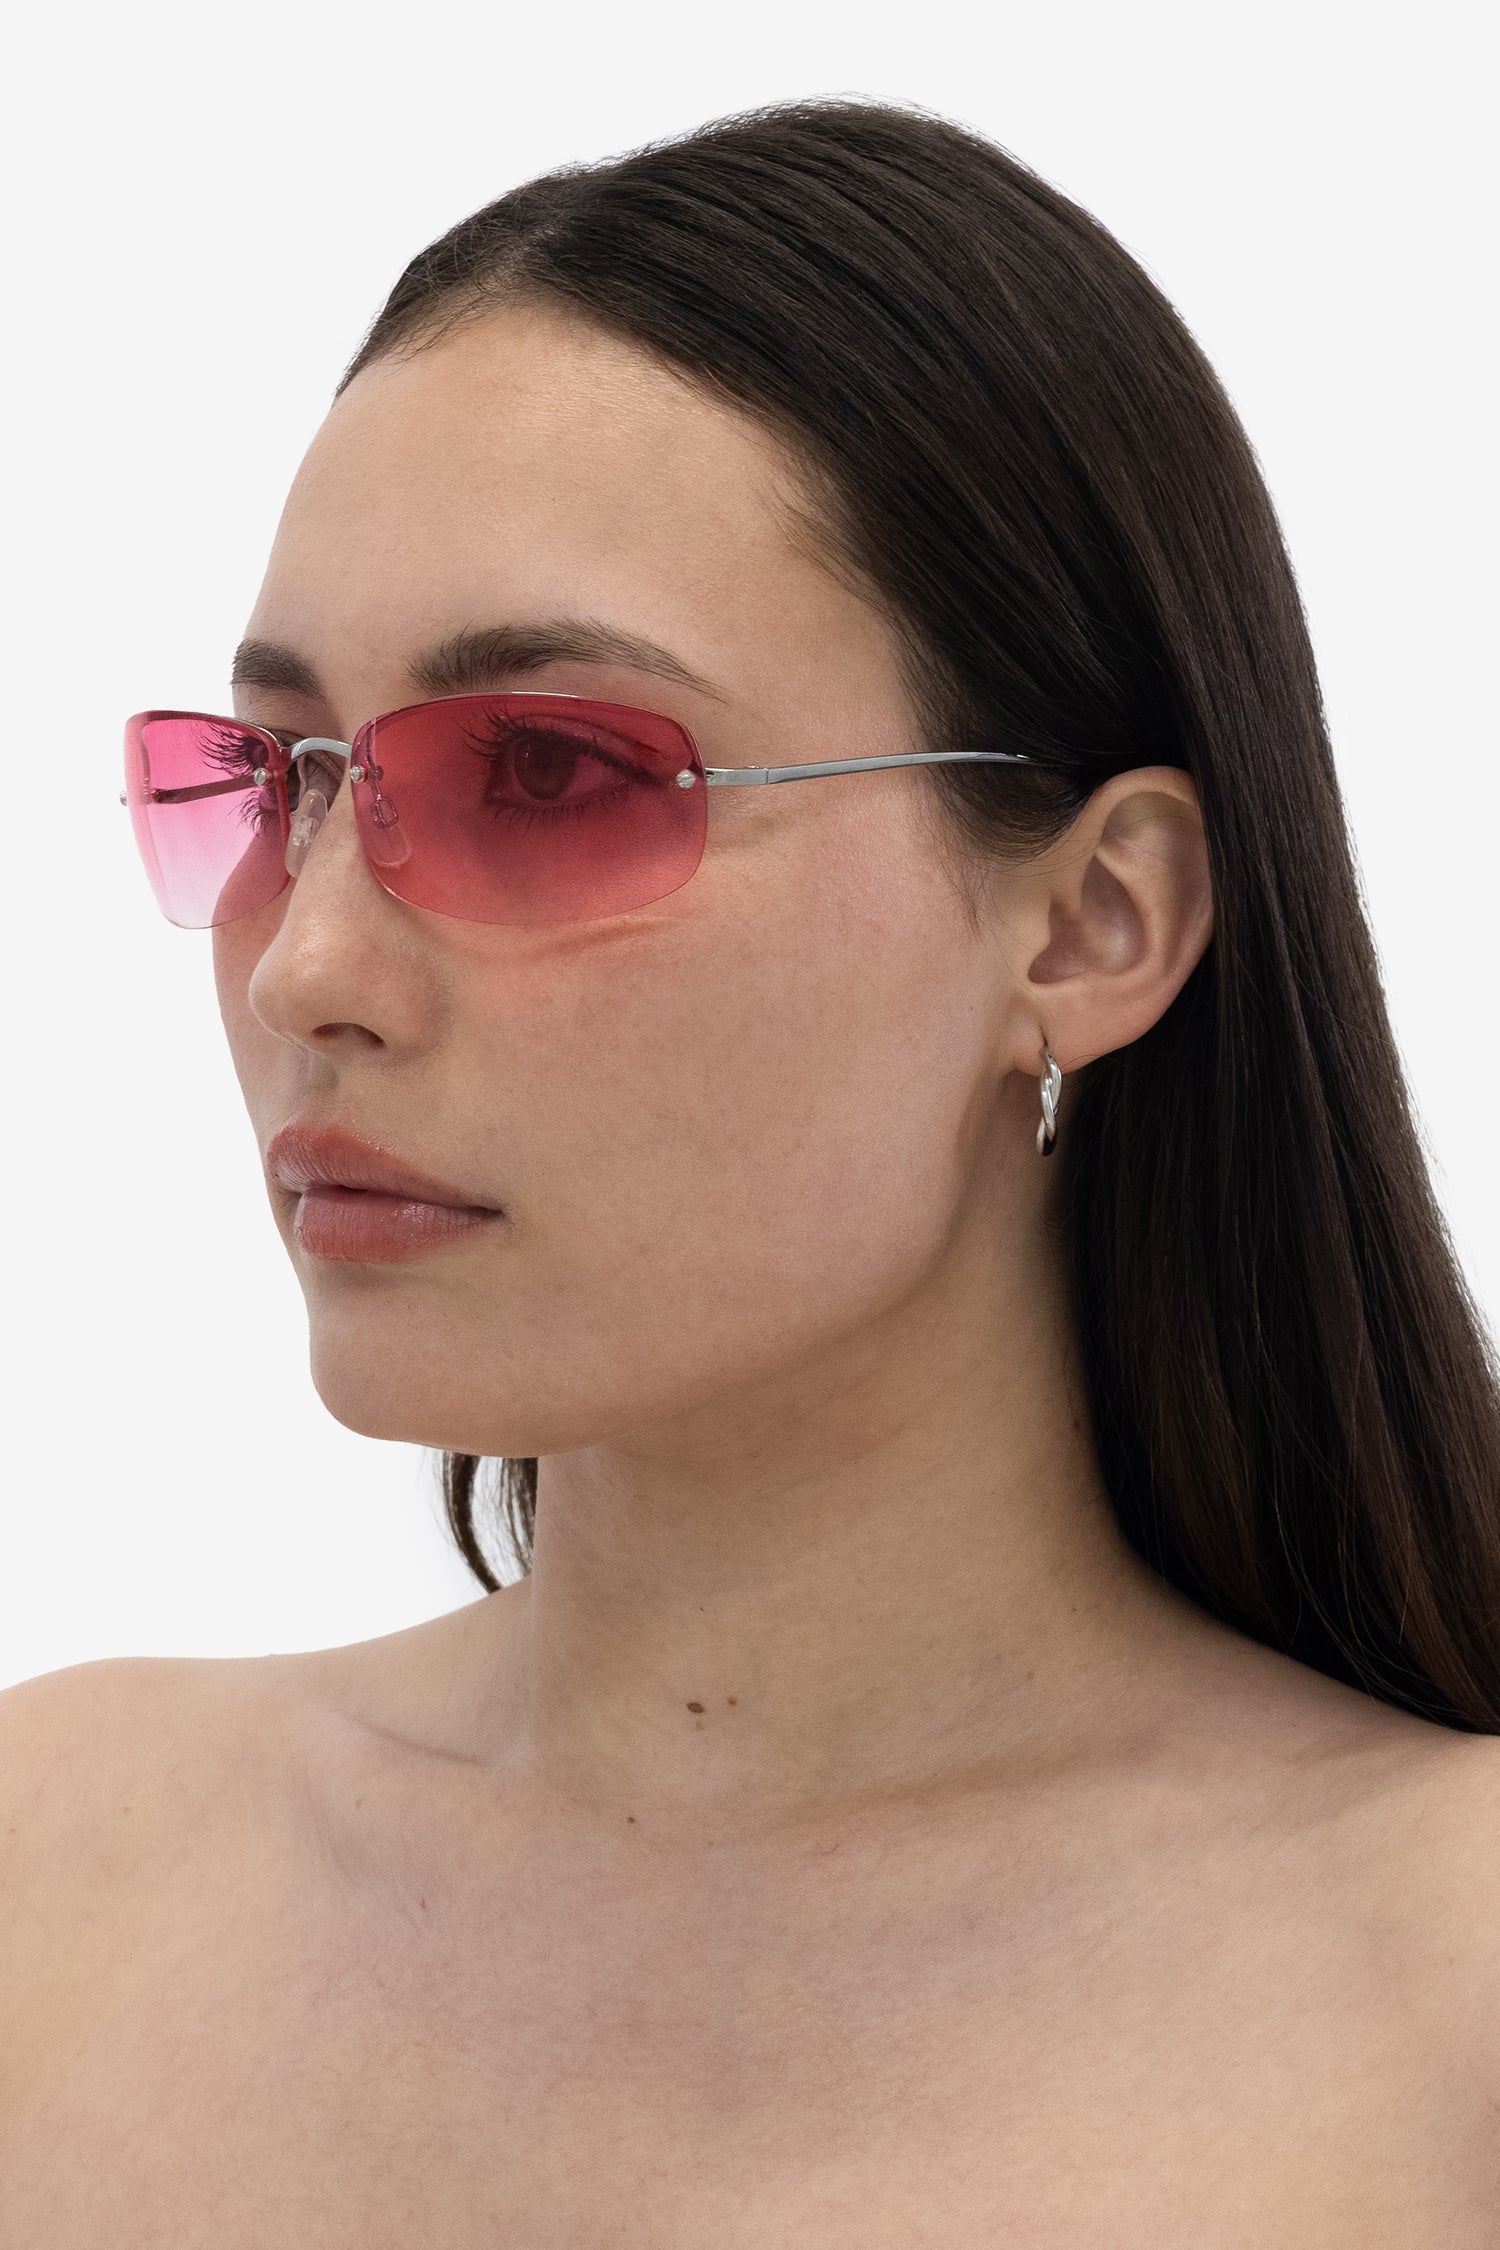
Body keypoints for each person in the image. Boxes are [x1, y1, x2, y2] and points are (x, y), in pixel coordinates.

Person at [5, 96, 1500, 2241]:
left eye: (548, 772)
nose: (307, 968)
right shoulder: (52, 1889)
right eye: (279, 775)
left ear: (1094, 922)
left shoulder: (1451, 2004)